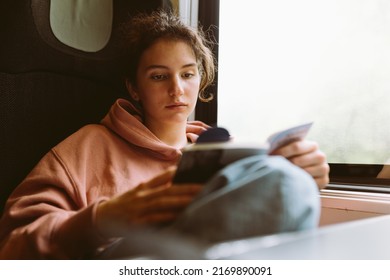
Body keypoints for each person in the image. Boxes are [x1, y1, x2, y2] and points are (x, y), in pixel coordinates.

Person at [0, 10, 329, 259]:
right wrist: (101, 219)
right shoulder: (88, 146)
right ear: (134, 87)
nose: (177, 89)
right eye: (159, 77)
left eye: (188, 74)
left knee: (286, 178)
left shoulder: (224, 150)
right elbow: (12, 246)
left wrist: (302, 170)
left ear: (201, 80)